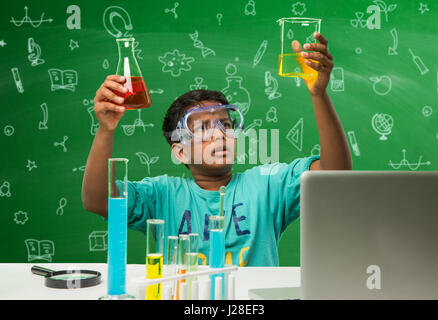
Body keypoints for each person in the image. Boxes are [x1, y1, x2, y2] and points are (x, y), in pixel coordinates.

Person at [82, 33, 352, 266]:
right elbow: (97, 201)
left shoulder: (268, 186)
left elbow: (334, 174)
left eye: (225, 124)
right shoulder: (163, 195)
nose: (219, 134)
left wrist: (319, 94)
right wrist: (106, 129)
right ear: (180, 153)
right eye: (201, 129)